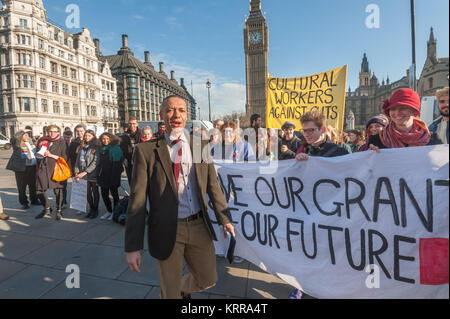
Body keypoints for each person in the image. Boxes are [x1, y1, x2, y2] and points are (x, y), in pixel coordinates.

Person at [125, 95, 235, 299]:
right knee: (170, 292)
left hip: (198, 225)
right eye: (170, 110)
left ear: (187, 115)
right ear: (161, 115)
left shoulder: (200, 145)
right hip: (167, 228)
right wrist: (133, 246)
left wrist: (224, 218)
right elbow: (137, 199)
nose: (176, 115)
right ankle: (172, 291)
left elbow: (213, 185)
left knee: (208, 279)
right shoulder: (146, 150)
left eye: (181, 110)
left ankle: (180, 288)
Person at [367, 88, 442, 151]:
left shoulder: (432, 138)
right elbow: (369, 167)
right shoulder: (376, 139)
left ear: (414, 111)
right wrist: (369, 156)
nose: (397, 113)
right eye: (393, 109)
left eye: (403, 108)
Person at [34, 125, 68, 221]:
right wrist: (40, 154)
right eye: (50, 131)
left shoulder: (62, 142)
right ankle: (47, 208)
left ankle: (59, 210)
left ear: (58, 132)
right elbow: (37, 153)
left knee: (58, 191)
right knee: (38, 190)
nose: (52, 133)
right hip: (43, 168)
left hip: (56, 169)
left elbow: (64, 158)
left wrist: (50, 155)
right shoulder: (42, 141)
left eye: (54, 131)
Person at [6, 130, 39, 209]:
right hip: (21, 167)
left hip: (32, 166)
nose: (27, 135)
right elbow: (14, 139)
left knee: (33, 185)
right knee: (22, 186)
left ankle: (34, 200)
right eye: (24, 134)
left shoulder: (30, 141)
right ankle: (24, 202)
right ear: (20, 136)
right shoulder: (17, 143)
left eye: (27, 134)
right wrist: (20, 132)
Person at [74, 130, 100, 219]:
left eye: (89, 136)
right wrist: (76, 172)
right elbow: (77, 160)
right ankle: (91, 209)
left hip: (92, 173)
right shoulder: (82, 147)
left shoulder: (96, 147)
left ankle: (95, 210)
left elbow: (96, 162)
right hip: (82, 173)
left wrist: (85, 172)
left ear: (93, 136)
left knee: (95, 191)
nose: (86, 137)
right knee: (87, 192)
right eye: (85, 136)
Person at [97, 132, 124, 220]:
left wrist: (114, 177)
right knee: (104, 194)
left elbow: (118, 164)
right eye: (103, 139)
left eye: (107, 139)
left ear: (111, 139)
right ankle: (109, 211)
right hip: (103, 174)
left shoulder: (115, 148)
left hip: (113, 174)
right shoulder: (101, 149)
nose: (105, 141)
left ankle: (115, 212)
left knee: (114, 194)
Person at [120, 116, 141, 185]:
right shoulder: (124, 135)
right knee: (131, 180)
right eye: (130, 123)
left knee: (140, 179)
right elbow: (120, 149)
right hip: (128, 161)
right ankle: (132, 194)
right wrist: (123, 159)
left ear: (137, 124)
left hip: (139, 160)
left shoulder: (141, 134)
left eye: (134, 123)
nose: (132, 125)